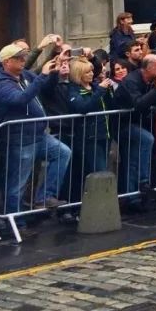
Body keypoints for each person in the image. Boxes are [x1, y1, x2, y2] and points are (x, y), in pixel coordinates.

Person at [0, 44, 72, 220]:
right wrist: (42, 75)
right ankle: (15, 221)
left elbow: (46, 88)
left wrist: (54, 72)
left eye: (23, 57)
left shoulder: (25, 75)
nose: (23, 60)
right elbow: (20, 99)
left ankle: (44, 197)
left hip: (38, 134)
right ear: (6, 62)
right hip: (19, 138)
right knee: (18, 183)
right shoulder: (1, 84)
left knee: (63, 152)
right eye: (18, 58)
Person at [114, 54, 156, 207]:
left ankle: (136, 197)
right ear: (148, 68)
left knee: (133, 159)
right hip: (123, 124)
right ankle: (142, 182)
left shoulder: (154, 80)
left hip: (143, 124)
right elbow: (139, 104)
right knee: (144, 143)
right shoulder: (131, 81)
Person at [59, 58, 115, 204]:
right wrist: (101, 90)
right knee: (98, 171)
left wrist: (107, 91)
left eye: (91, 71)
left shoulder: (95, 86)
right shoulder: (74, 90)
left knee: (96, 171)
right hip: (89, 137)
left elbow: (110, 104)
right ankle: (98, 206)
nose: (91, 74)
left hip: (104, 134)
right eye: (87, 72)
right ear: (79, 74)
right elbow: (83, 108)